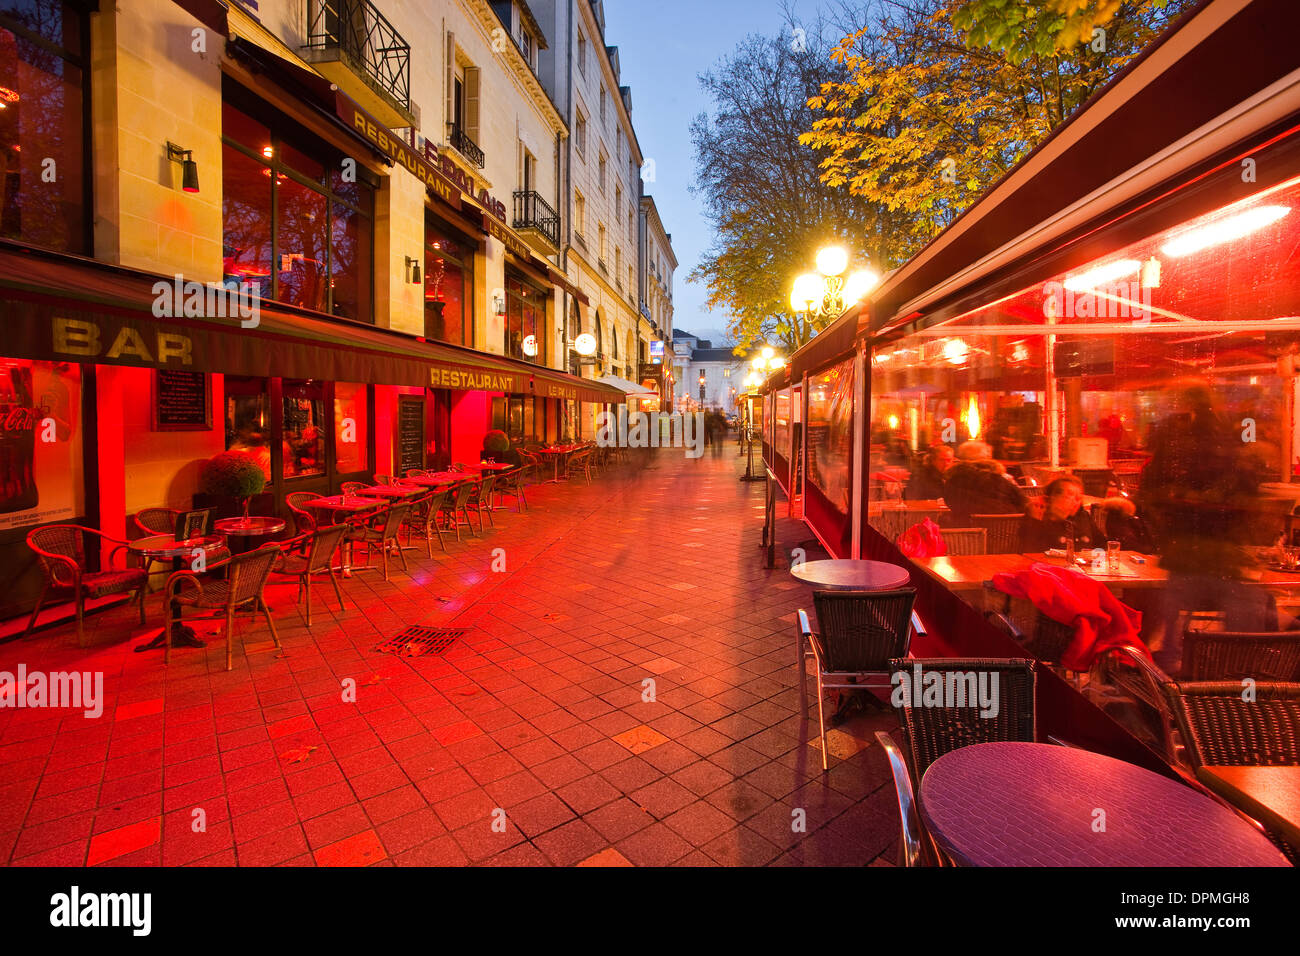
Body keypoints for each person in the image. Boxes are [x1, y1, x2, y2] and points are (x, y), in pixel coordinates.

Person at [1139, 379, 1273, 674]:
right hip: (1217, 553)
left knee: (1169, 615)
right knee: (1239, 612)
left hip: (1191, 551)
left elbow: (1153, 490)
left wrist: (1179, 504)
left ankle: (1163, 671)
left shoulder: (1181, 439)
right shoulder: (1225, 438)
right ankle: (1236, 678)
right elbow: (1246, 489)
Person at [941, 442, 1028, 524]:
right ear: (986, 458)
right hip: (1006, 531)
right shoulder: (1001, 478)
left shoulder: (953, 480)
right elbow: (1022, 500)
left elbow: (950, 503)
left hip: (968, 533)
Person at [1020, 476, 1104, 552]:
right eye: (1070, 495)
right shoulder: (1038, 517)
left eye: (1079, 496)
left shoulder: (1083, 517)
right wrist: (1035, 521)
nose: (1077, 500)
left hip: (1083, 567)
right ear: (1052, 497)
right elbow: (1030, 552)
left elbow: (1102, 546)